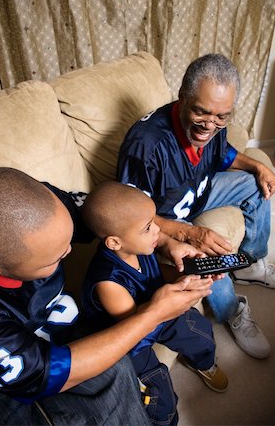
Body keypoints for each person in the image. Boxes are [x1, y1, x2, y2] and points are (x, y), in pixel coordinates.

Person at [0, 167, 212, 426]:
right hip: (2, 383)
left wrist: (167, 241)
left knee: (118, 370)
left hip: (58, 334)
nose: (70, 249)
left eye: (68, 240)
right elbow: (51, 371)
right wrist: (154, 313)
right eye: (55, 257)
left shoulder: (48, 204)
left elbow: (115, 214)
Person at [117, 53, 275, 360]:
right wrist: (190, 233)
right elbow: (130, 218)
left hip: (199, 193)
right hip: (161, 220)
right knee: (208, 263)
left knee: (257, 186)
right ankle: (234, 310)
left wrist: (258, 168)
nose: (210, 125)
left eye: (222, 116)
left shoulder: (215, 127)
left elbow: (225, 155)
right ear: (182, 97)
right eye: (202, 113)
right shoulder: (145, 145)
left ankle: (252, 266)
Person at [81, 181, 228, 426]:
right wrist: (178, 296)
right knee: (158, 391)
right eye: (148, 228)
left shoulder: (139, 248)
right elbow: (137, 326)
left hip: (157, 305)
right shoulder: (108, 283)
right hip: (133, 336)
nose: (158, 233)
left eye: (154, 223)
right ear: (115, 242)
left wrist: (186, 277)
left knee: (199, 330)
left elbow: (155, 274)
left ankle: (202, 363)